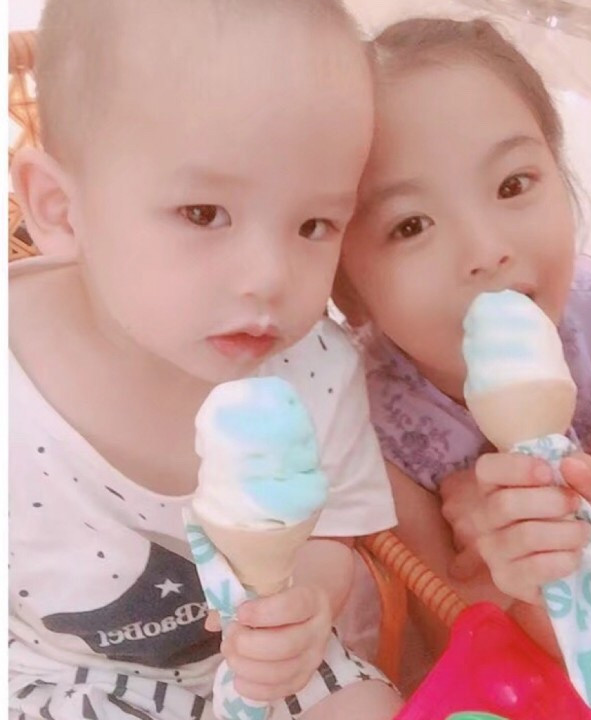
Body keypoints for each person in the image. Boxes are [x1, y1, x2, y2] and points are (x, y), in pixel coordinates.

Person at [8, 1, 404, 718]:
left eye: (314, 224)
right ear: (62, 209)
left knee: (365, 705)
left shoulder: (317, 369)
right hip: (69, 677)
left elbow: (335, 530)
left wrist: (307, 604)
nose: (270, 276)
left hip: (263, 663)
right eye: (203, 214)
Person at [335, 16, 591, 660]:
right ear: (348, 292)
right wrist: (499, 569)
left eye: (513, 184)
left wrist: (589, 514)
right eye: (411, 225)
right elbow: (456, 651)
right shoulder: (368, 420)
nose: (486, 251)